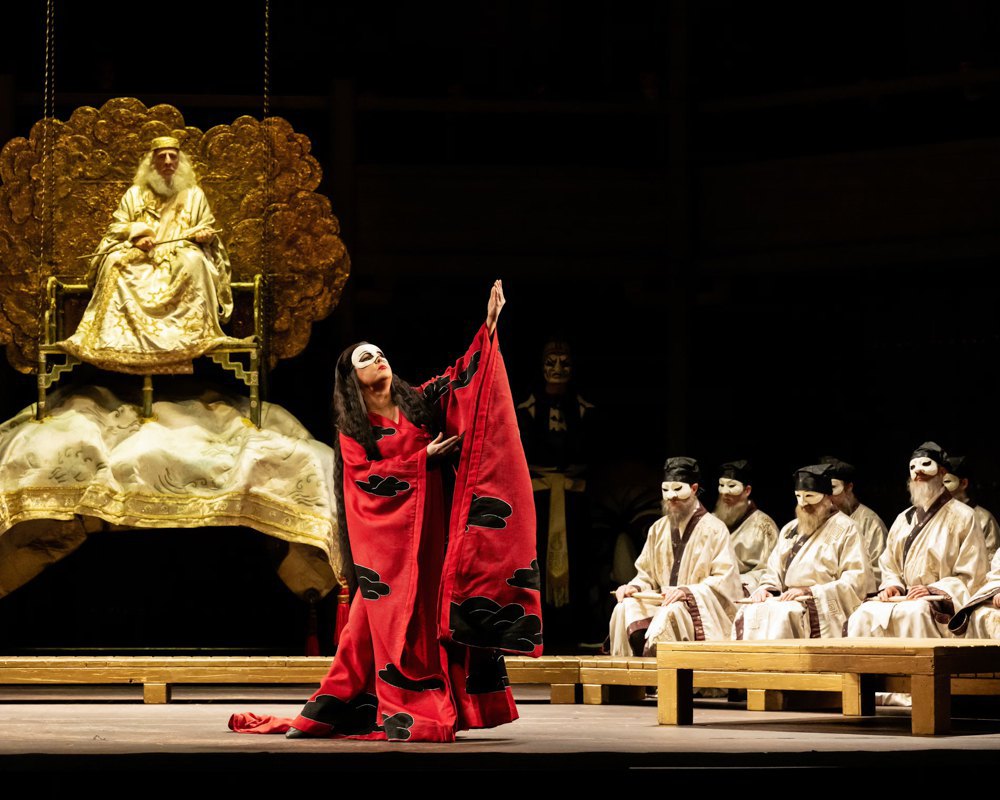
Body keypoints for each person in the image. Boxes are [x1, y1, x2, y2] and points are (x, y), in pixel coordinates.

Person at [229, 281, 542, 742]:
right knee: (366, 624)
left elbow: (461, 380)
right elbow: (364, 483)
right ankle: (335, 710)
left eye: (379, 353)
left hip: (433, 537)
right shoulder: (357, 430)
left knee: (435, 615)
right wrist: (422, 461)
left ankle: (348, 710)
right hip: (391, 553)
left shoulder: (419, 402)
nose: (378, 359)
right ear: (352, 380)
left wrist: (489, 327)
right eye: (365, 358)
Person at [61, 136, 235, 374]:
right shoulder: (134, 194)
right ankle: (116, 342)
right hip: (142, 256)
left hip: (179, 256)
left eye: (173, 156)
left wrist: (205, 236)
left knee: (195, 260)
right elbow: (116, 227)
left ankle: (188, 338)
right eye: (161, 156)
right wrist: (136, 235)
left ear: (180, 161)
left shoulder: (195, 195)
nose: (167, 161)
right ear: (151, 162)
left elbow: (207, 226)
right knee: (114, 261)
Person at [847, 442, 987, 638]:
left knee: (915, 613)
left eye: (925, 465)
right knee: (863, 615)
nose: (918, 472)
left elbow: (973, 573)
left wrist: (931, 590)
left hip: (939, 601)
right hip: (906, 596)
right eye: (913, 467)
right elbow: (889, 565)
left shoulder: (964, 516)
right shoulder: (904, 518)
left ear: (942, 471)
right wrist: (892, 586)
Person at [609, 457, 742, 656]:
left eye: (678, 490)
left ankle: (668, 682)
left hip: (695, 607)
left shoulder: (714, 529)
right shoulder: (658, 529)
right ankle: (632, 681)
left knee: (671, 612)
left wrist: (687, 592)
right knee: (625, 608)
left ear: (694, 488)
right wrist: (634, 586)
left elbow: (724, 580)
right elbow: (646, 574)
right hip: (661, 602)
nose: (671, 497)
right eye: (666, 490)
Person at [516, 336, 599, 648]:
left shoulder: (585, 410)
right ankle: (536, 629)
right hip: (537, 498)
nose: (558, 368)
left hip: (574, 498)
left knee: (578, 560)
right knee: (534, 558)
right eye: (551, 362)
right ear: (541, 366)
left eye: (565, 362)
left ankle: (575, 629)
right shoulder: (526, 409)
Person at [733, 464, 873, 640]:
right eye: (798, 496)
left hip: (818, 602)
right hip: (786, 598)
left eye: (810, 496)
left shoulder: (847, 529)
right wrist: (767, 588)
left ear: (828, 497)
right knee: (752, 610)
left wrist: (809, 591)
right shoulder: (789, 529)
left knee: (784, 616)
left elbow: (856, 580)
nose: (803, 503)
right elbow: (773, 570)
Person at [712, 460, 779, 594]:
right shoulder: (710, 521)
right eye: (721, 486)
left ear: (747, 490)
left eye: (731, 486)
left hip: (744, 591)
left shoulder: (764, 526)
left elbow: (771, 570)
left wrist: (738, 583)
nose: (725, 492)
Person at [819, 457, 888, 583]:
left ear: (849, 487)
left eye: (833, 489)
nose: (828, 497)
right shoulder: (818, 522)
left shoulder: (869, 522)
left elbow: (878, 572)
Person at [943, 455, 999, 562]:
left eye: (947, 482)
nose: (942, 489)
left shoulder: (984, 519)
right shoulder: (937, 516)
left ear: (963, 483)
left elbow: (990, 562)